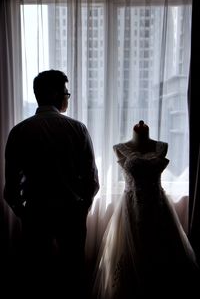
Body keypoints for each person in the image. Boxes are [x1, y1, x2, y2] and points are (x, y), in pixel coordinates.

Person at [3, 69, 99, 298]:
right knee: (73, 277)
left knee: (37, 279)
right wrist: (82, 207)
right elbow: (92, 180)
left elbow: (11, 188)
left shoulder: (19, 132)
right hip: (71, 213)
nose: (67, 97)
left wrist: (23, 213)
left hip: (35, 214)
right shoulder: (78, 129)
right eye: (66, 92)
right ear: (56, 94)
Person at [91, 120, 199, 298]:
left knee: (161, 252)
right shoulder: (119, 148)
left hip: (158, 207)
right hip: (131, 209)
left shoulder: (161, 146)